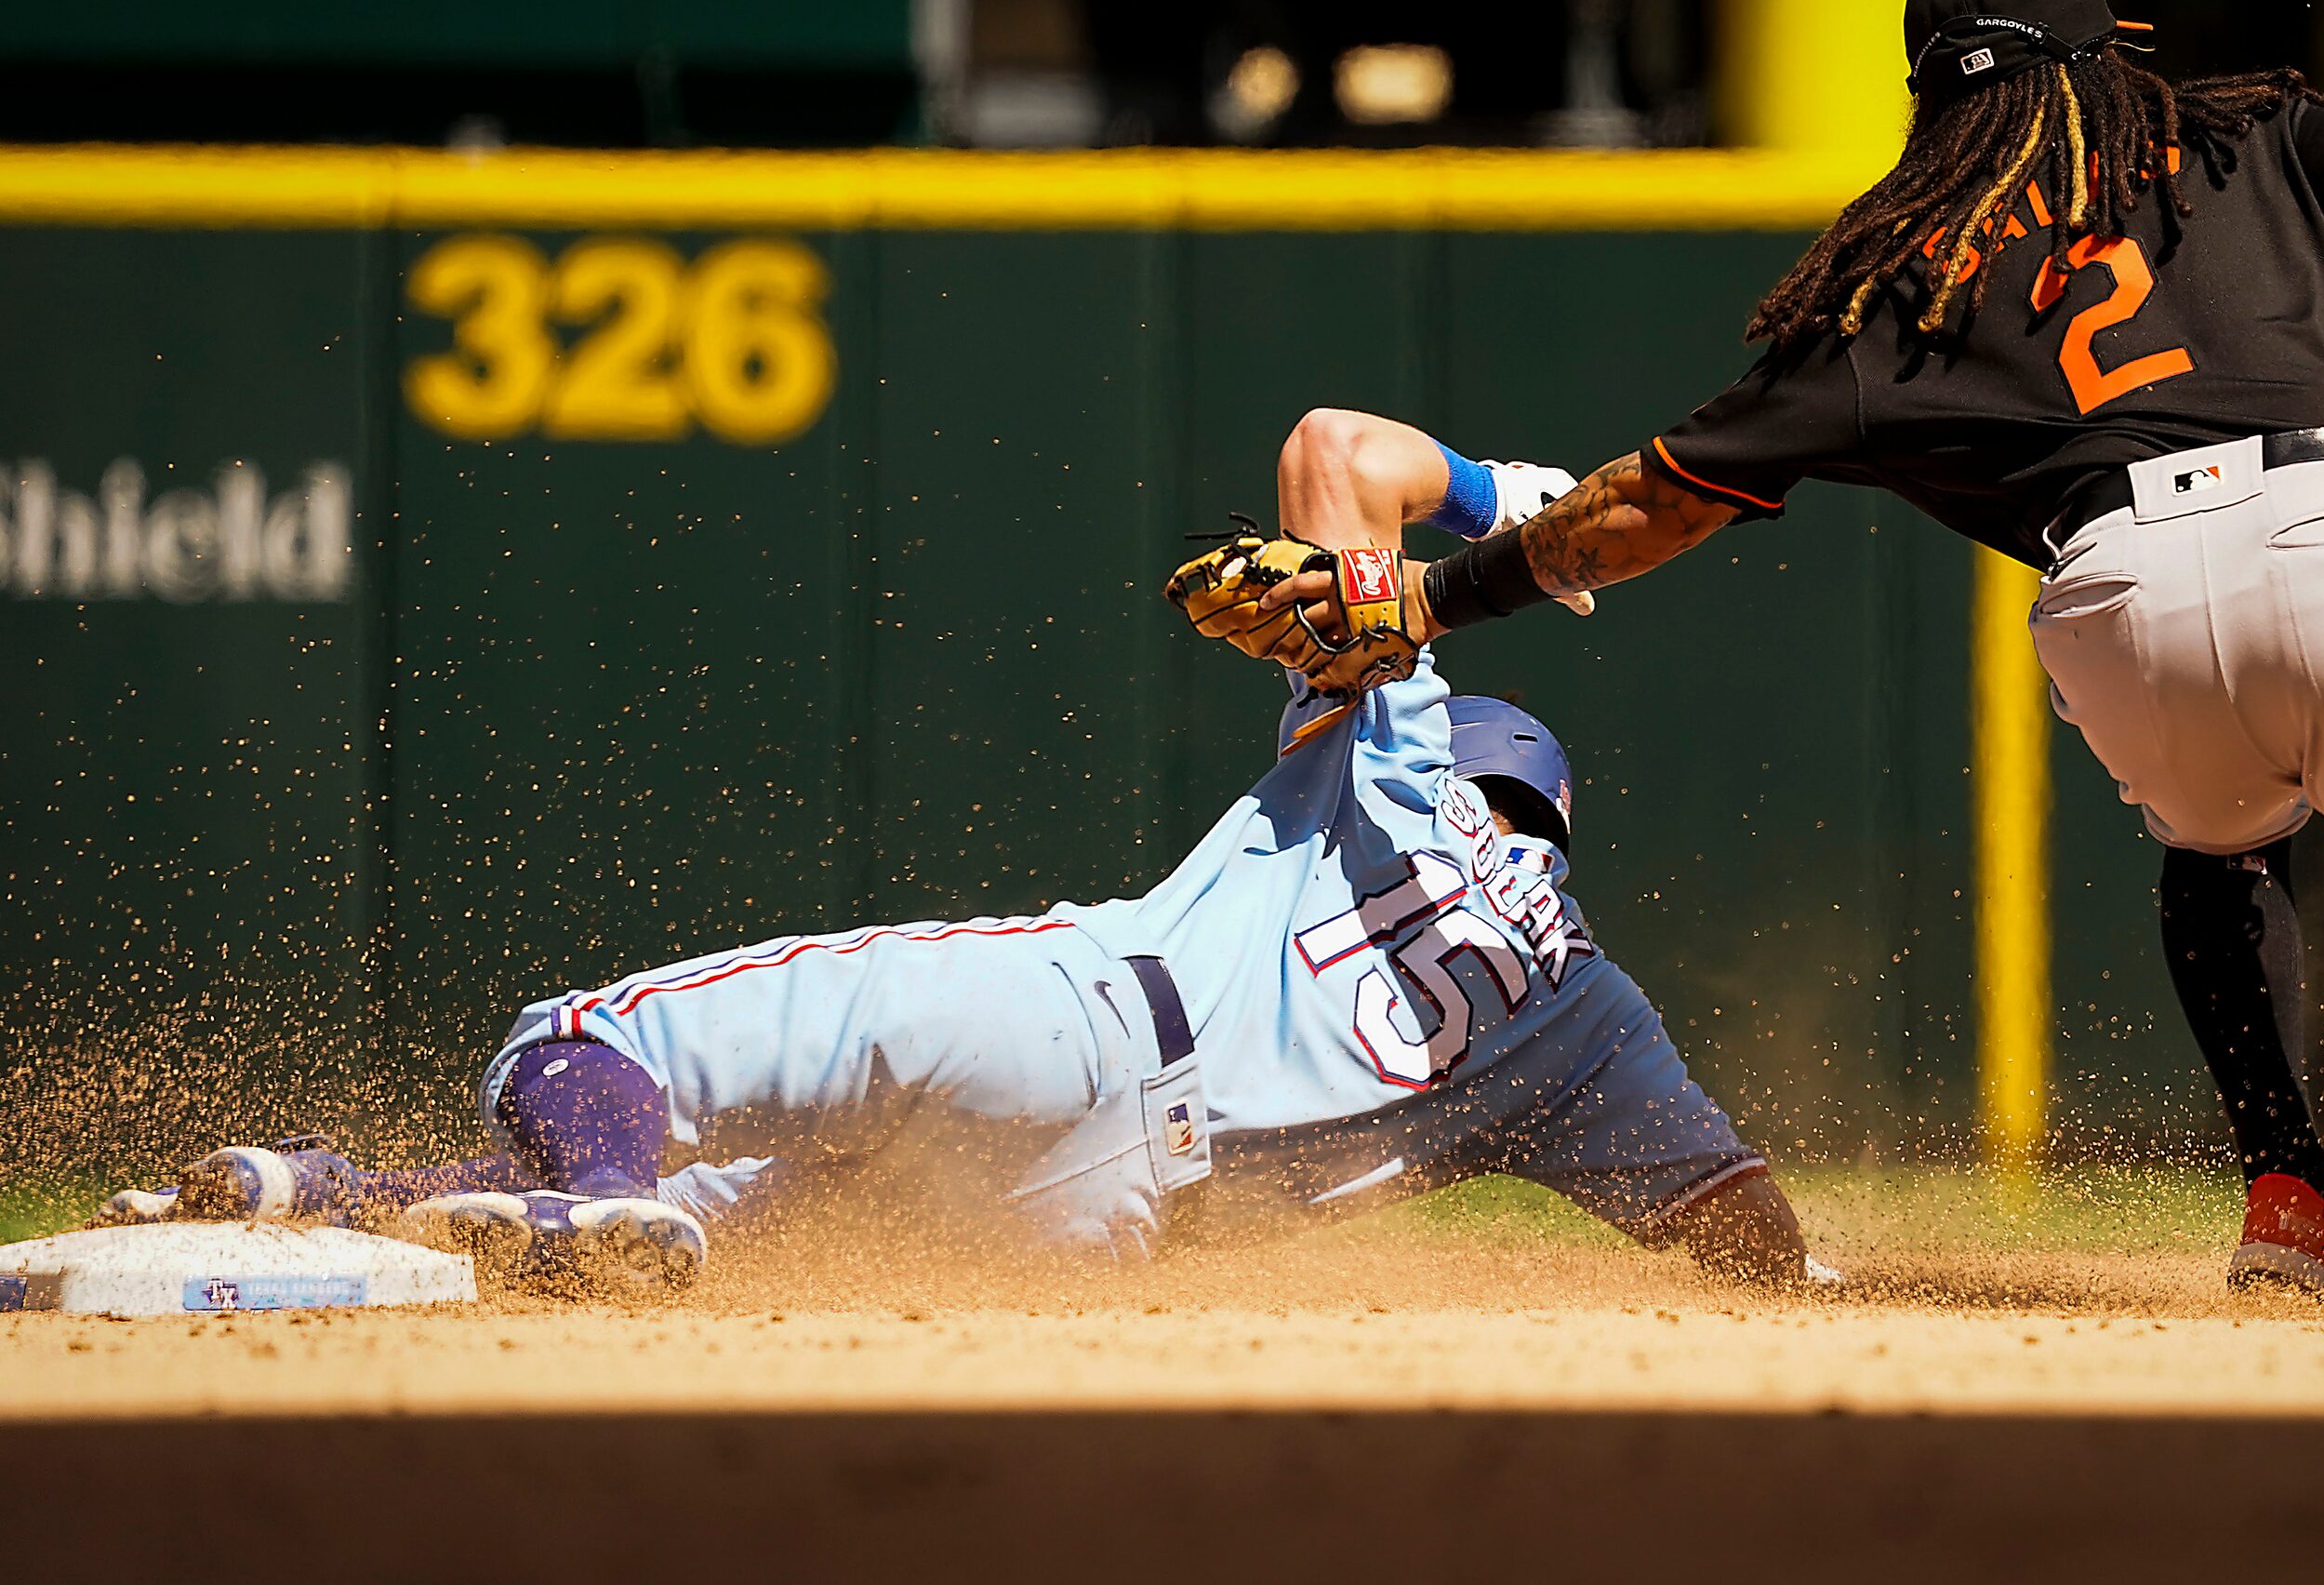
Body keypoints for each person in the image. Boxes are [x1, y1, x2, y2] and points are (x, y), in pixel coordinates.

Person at [1249, 0, 2324, 1301]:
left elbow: (1648, 500)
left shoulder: (1894, 281)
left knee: (2217, 850)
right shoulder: (2240, 141)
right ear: (2108, 50)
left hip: (2116, 594)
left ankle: (2287, 1194)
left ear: (1930, 100)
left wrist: (1423, 597)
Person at [93, 414, 1810, 1299]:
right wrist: (1808, 1277)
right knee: (746, 1242)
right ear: (1560, 830)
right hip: (1102, 1226)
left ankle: (583, 1189)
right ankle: (327, 1196)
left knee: (579, 1041)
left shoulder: (1397, 732)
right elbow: (1743, 1228)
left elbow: (1337, 451)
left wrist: (1513, 529)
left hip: (1077, 1019)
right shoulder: (1594, 1020)